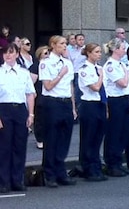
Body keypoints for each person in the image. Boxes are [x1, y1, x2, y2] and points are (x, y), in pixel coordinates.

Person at [39, 35, 78, 187]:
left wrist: (73, 107)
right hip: (52, 103)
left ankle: (61, 171)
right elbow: (48, 86)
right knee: (52, 139)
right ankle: (49, 174)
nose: (65, 46)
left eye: (65, 44)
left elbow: (71, 86)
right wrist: (60, 74)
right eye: (62, 43)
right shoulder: (46, 63)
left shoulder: (68, 62)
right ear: (53, 45)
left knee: (64, 138)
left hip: (66, 102)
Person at [0, 43, 36, 192]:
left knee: (19, 146)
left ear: (16, 54)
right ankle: (4, 182)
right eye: (5, 53)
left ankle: (17, 180)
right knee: (4, 147)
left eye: (11, 52)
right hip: (4, 109)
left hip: (20, 109)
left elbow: (30, 94)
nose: (8, 55)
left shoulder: (23, 73)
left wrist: (31, 114)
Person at [76, 43, 108, 181]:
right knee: (88, 138)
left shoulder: (99, 68)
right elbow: (95, 87)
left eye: (100, 51)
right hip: (89, 105)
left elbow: (104, 91)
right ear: (88, 53)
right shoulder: (84, 69)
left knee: (97, 137)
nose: (99, 54)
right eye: (96, 52)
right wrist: (100, 76)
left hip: (99, 104)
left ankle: (96, 166)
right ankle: (88, 168)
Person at [103, 37, 129, 176]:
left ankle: (119, 161)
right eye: (122, 48)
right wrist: (126, 75)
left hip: (125, 99)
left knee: (124, 132)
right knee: (114, 133)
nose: (124, 50)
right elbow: (123, 83)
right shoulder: (110, 65)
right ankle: (112, 163)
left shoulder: (121, 64)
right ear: (115, 49)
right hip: (115, 101)